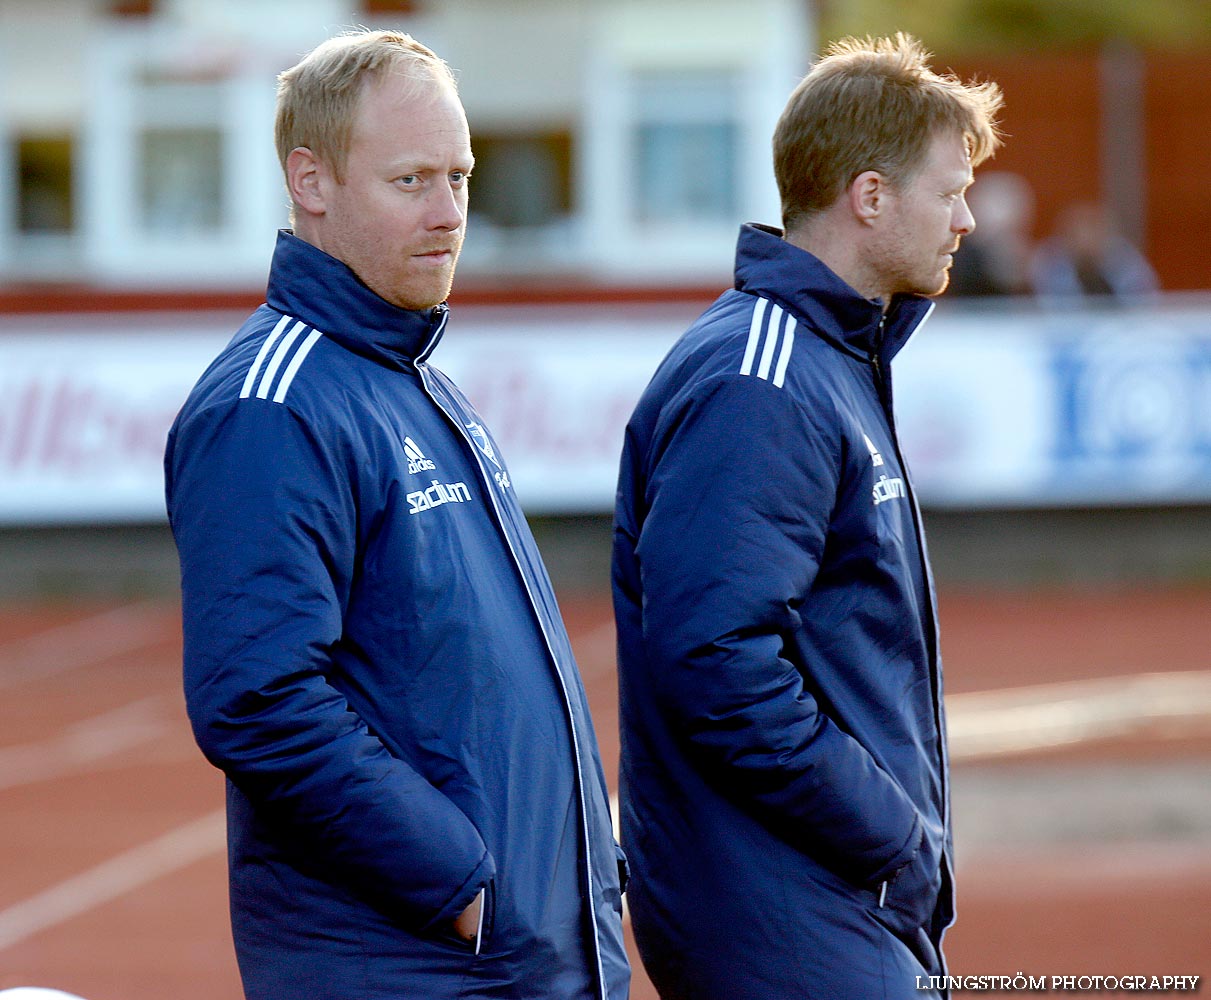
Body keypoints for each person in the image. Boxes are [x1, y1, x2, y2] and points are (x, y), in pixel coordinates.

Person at [164, 29, 628, 1000]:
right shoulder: (272, 403)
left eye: (459, 176)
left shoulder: (416, 382)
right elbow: (258, 698)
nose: (450, 213)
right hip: (421, 967)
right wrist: (460, 883)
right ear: (311, 181)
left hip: (513, 960)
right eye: (412, 180)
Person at [612, 33, 1002, 1000]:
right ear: (868, 198)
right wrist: (890, 831)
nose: (967, 218)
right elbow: (714, 658)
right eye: (948, 191)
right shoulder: (764, 380)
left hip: (822, 895)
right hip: (780, 906)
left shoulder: (823, 361)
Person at [1030, 200, 1158, 304]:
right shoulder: (1050, 259)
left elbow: (1144, 300)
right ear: (1067, 236)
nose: (1087, 240)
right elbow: (1051, 305)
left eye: (1093, 231)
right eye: (1079, 233)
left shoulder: (1124, 257)